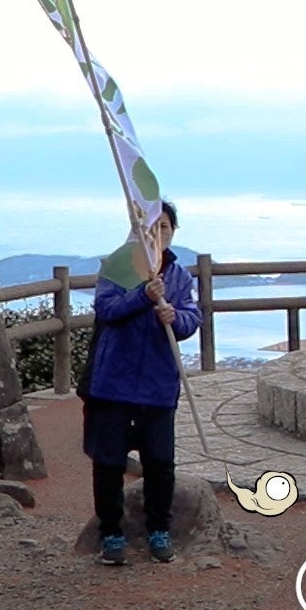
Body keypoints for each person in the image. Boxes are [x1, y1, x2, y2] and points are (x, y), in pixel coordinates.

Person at [81, 200, 201, 566]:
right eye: (150, 227)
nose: (157, 234)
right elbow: (107, 310)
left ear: (173, 233)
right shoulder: (117, 268)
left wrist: (176, 316)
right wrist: (142, 296)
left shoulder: (178, 275)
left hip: (157, 384)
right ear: (136, 230)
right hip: (113, 383)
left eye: (164, 227)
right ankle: (112, 535)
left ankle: (158, 532)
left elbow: (191, 319)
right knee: (109, 462)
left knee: (160, 462)